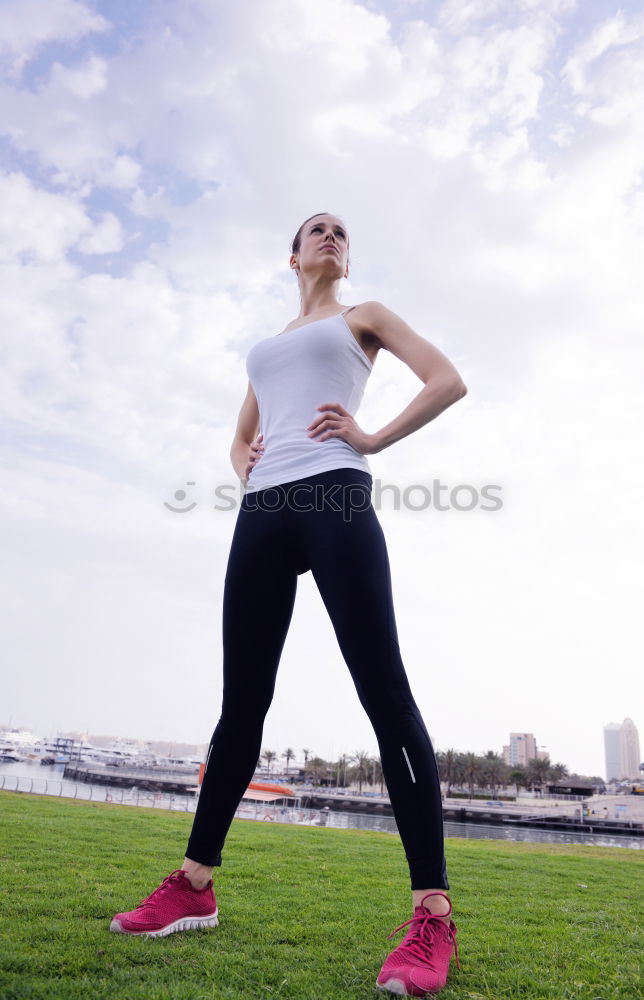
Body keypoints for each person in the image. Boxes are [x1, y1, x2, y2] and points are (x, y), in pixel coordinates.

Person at [110, 212, 467, 996]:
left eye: (342, 230)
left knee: (385, 693)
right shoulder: (269, 345)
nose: (332, 235)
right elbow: (240, 438)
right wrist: (250, 471)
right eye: (317, 229)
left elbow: (447, 380)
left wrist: (370, 439)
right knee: (242, 705)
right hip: (263, 515)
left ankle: (431, 913)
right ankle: (194, 885)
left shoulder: (362, 316)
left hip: (338, 499)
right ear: (294, 255)